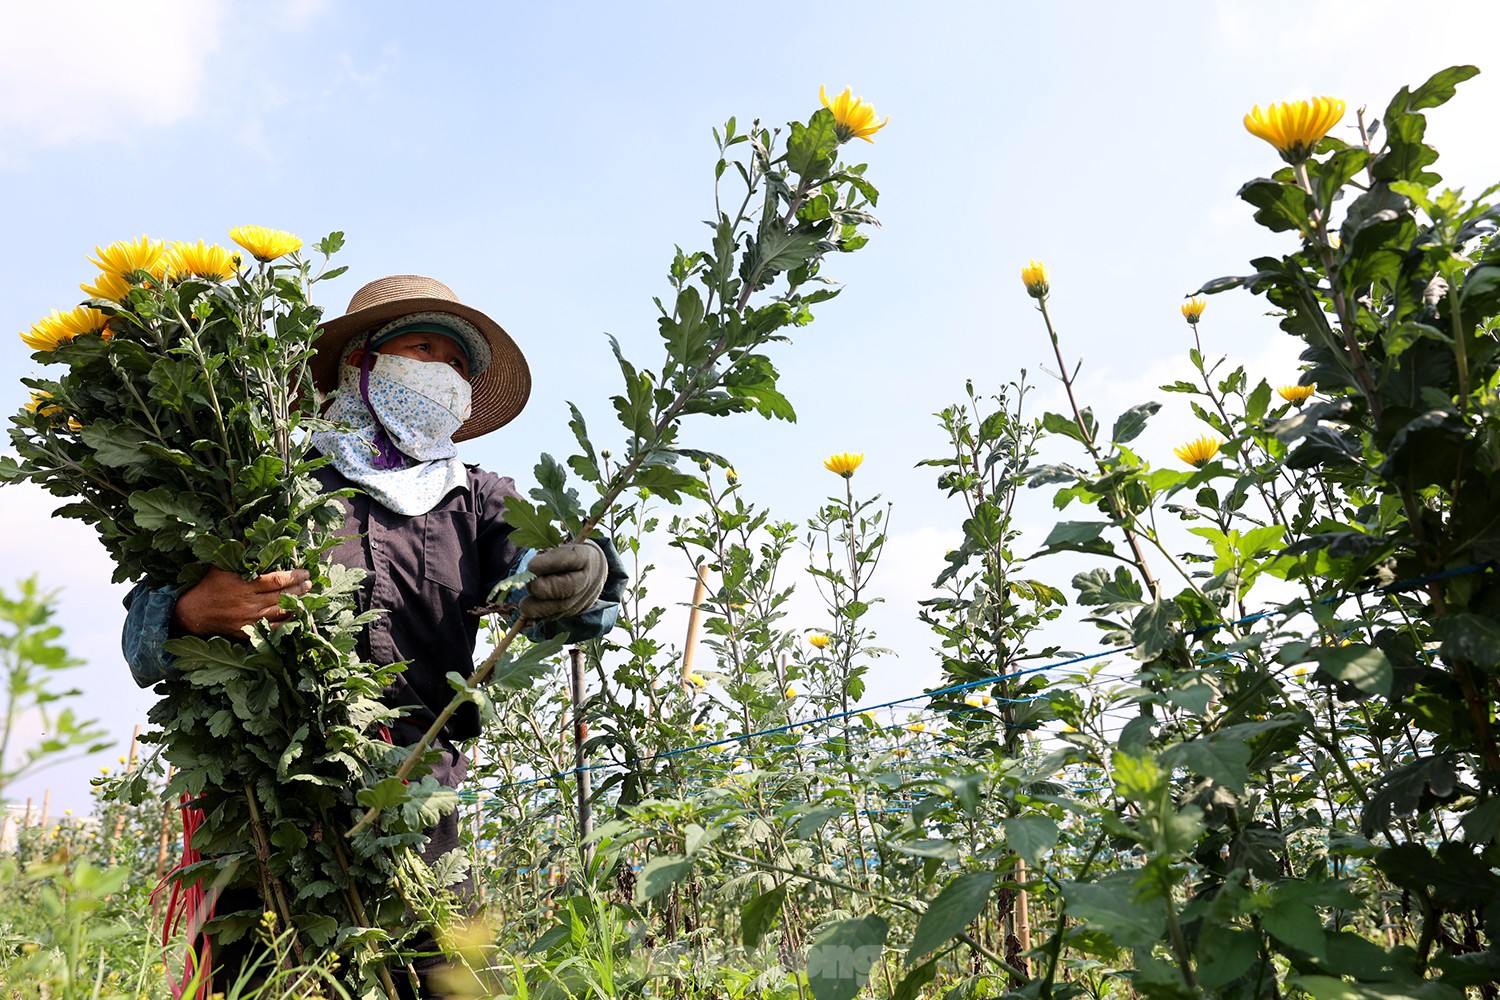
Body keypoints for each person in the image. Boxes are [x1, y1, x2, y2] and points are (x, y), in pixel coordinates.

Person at [122, 274, 626, 996]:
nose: (444, 375)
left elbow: (543, 570)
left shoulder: (477, 498)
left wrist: (583, 574)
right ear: (363, 360)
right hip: (266, 800)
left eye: (459, 365)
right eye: (425, 348)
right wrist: (189, 614)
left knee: (443, 979)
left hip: (417, 797)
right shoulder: (265, 482)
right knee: (263, 979)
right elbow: (141, 633)